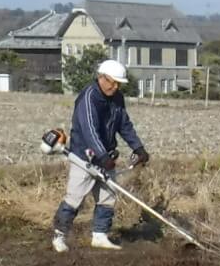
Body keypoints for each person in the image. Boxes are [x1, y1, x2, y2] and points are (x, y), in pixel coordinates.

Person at [52, 59, 150, 252]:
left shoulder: (117, 99)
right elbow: (90, 130)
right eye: (112, 82)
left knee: (107, 197)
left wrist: (138, 148)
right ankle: (59, 236)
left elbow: (124, 124)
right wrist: (102, 154)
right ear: (101, 77)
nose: (114, 87)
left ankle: (99, 235)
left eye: (118, 84)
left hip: (106, 157)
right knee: (74, 198)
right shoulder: (88, 98)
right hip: (84, 157)